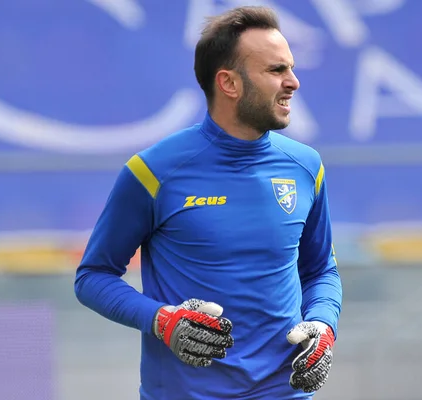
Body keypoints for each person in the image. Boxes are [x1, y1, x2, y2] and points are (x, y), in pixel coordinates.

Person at [74, 5, 342, 400]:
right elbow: (93, 276)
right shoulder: (153, 171)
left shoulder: (306, 167)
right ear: (229, 83)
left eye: (290, 68)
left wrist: (323, 325)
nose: (293, 82)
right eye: (276, 71)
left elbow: (321, 270)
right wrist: (162, 319)